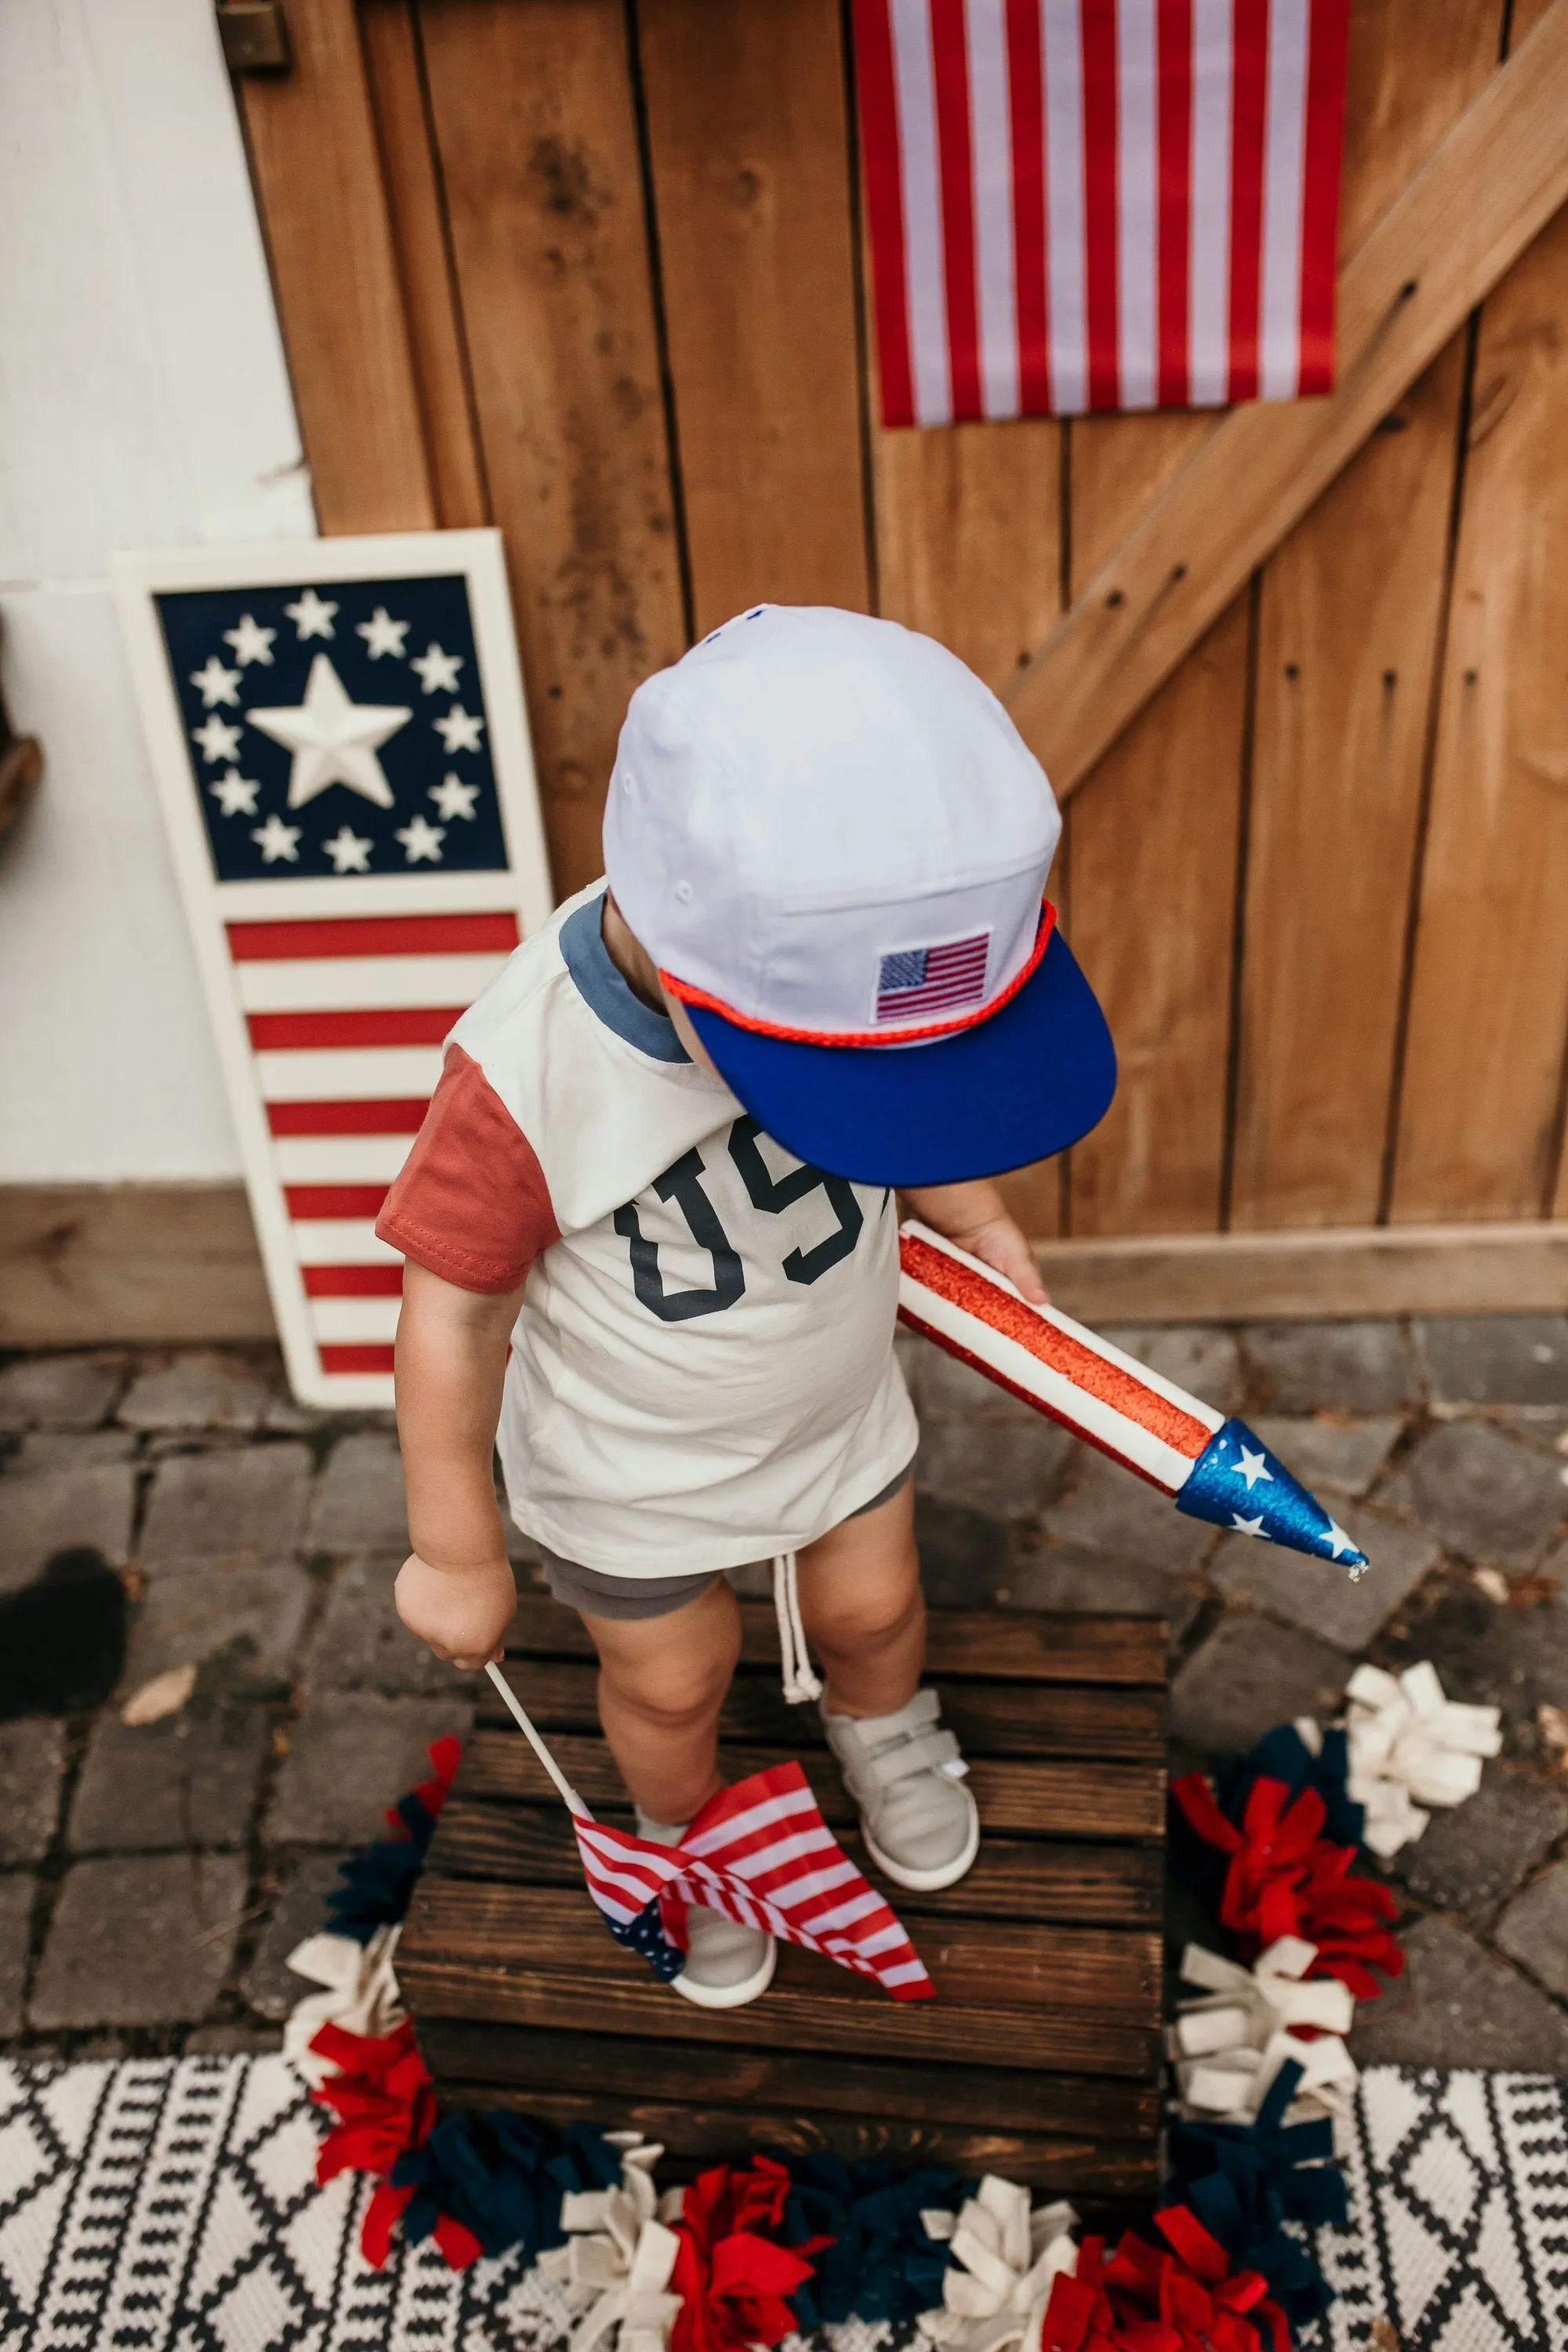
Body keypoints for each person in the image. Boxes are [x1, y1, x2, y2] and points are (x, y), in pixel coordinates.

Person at [381, 605, 1116, 2008]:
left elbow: (921, 1109)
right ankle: (691, 1836)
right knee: (671, 1684)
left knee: (879, 1610)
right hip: (632, 1476)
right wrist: (454, 1544)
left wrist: (980, 1214)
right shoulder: (531, 1072)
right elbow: (452, 1315)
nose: (888, 1090)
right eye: (848, 1066)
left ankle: (887, 1727)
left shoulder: (850, 997)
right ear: (679, 928)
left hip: (836, 1419)